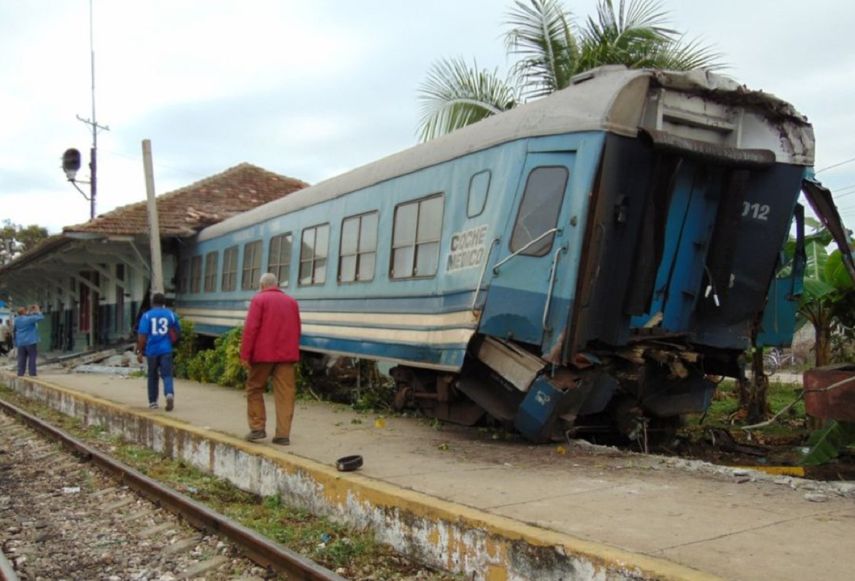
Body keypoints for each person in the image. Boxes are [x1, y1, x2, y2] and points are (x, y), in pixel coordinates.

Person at [240, 272, 301, 445]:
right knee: (285, 394)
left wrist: (245, 354)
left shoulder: (259, 300)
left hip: (262, 356)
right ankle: (283, 435)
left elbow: (251, 329)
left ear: (261, 286)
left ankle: (258, 428)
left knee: (254, 388)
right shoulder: (292, 302)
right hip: (286, 356)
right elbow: (297, 329)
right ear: (277, 285)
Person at [136, 293, 180, 411]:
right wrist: (171, 341)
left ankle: (153, 402)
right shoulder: (171, 314)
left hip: (152, 351)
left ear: (152, 302)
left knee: (152, 376)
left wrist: (140, 350)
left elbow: (142, 335)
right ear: (164, 303)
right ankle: (169, 393)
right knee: (167, 374)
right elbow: (177, 331)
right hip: (166, 349)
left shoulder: (146, 316)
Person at [14, 304, 44, 376]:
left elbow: (26, 316)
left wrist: (30, 312)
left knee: (21, 358)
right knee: (32, 357)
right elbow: (41, 317)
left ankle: (20, 373)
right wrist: (37, 310)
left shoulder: (16, 320)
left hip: (21, 342)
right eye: (26, 310)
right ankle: (32, 373)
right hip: (30, 341)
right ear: (24, 312)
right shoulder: (29, 319)